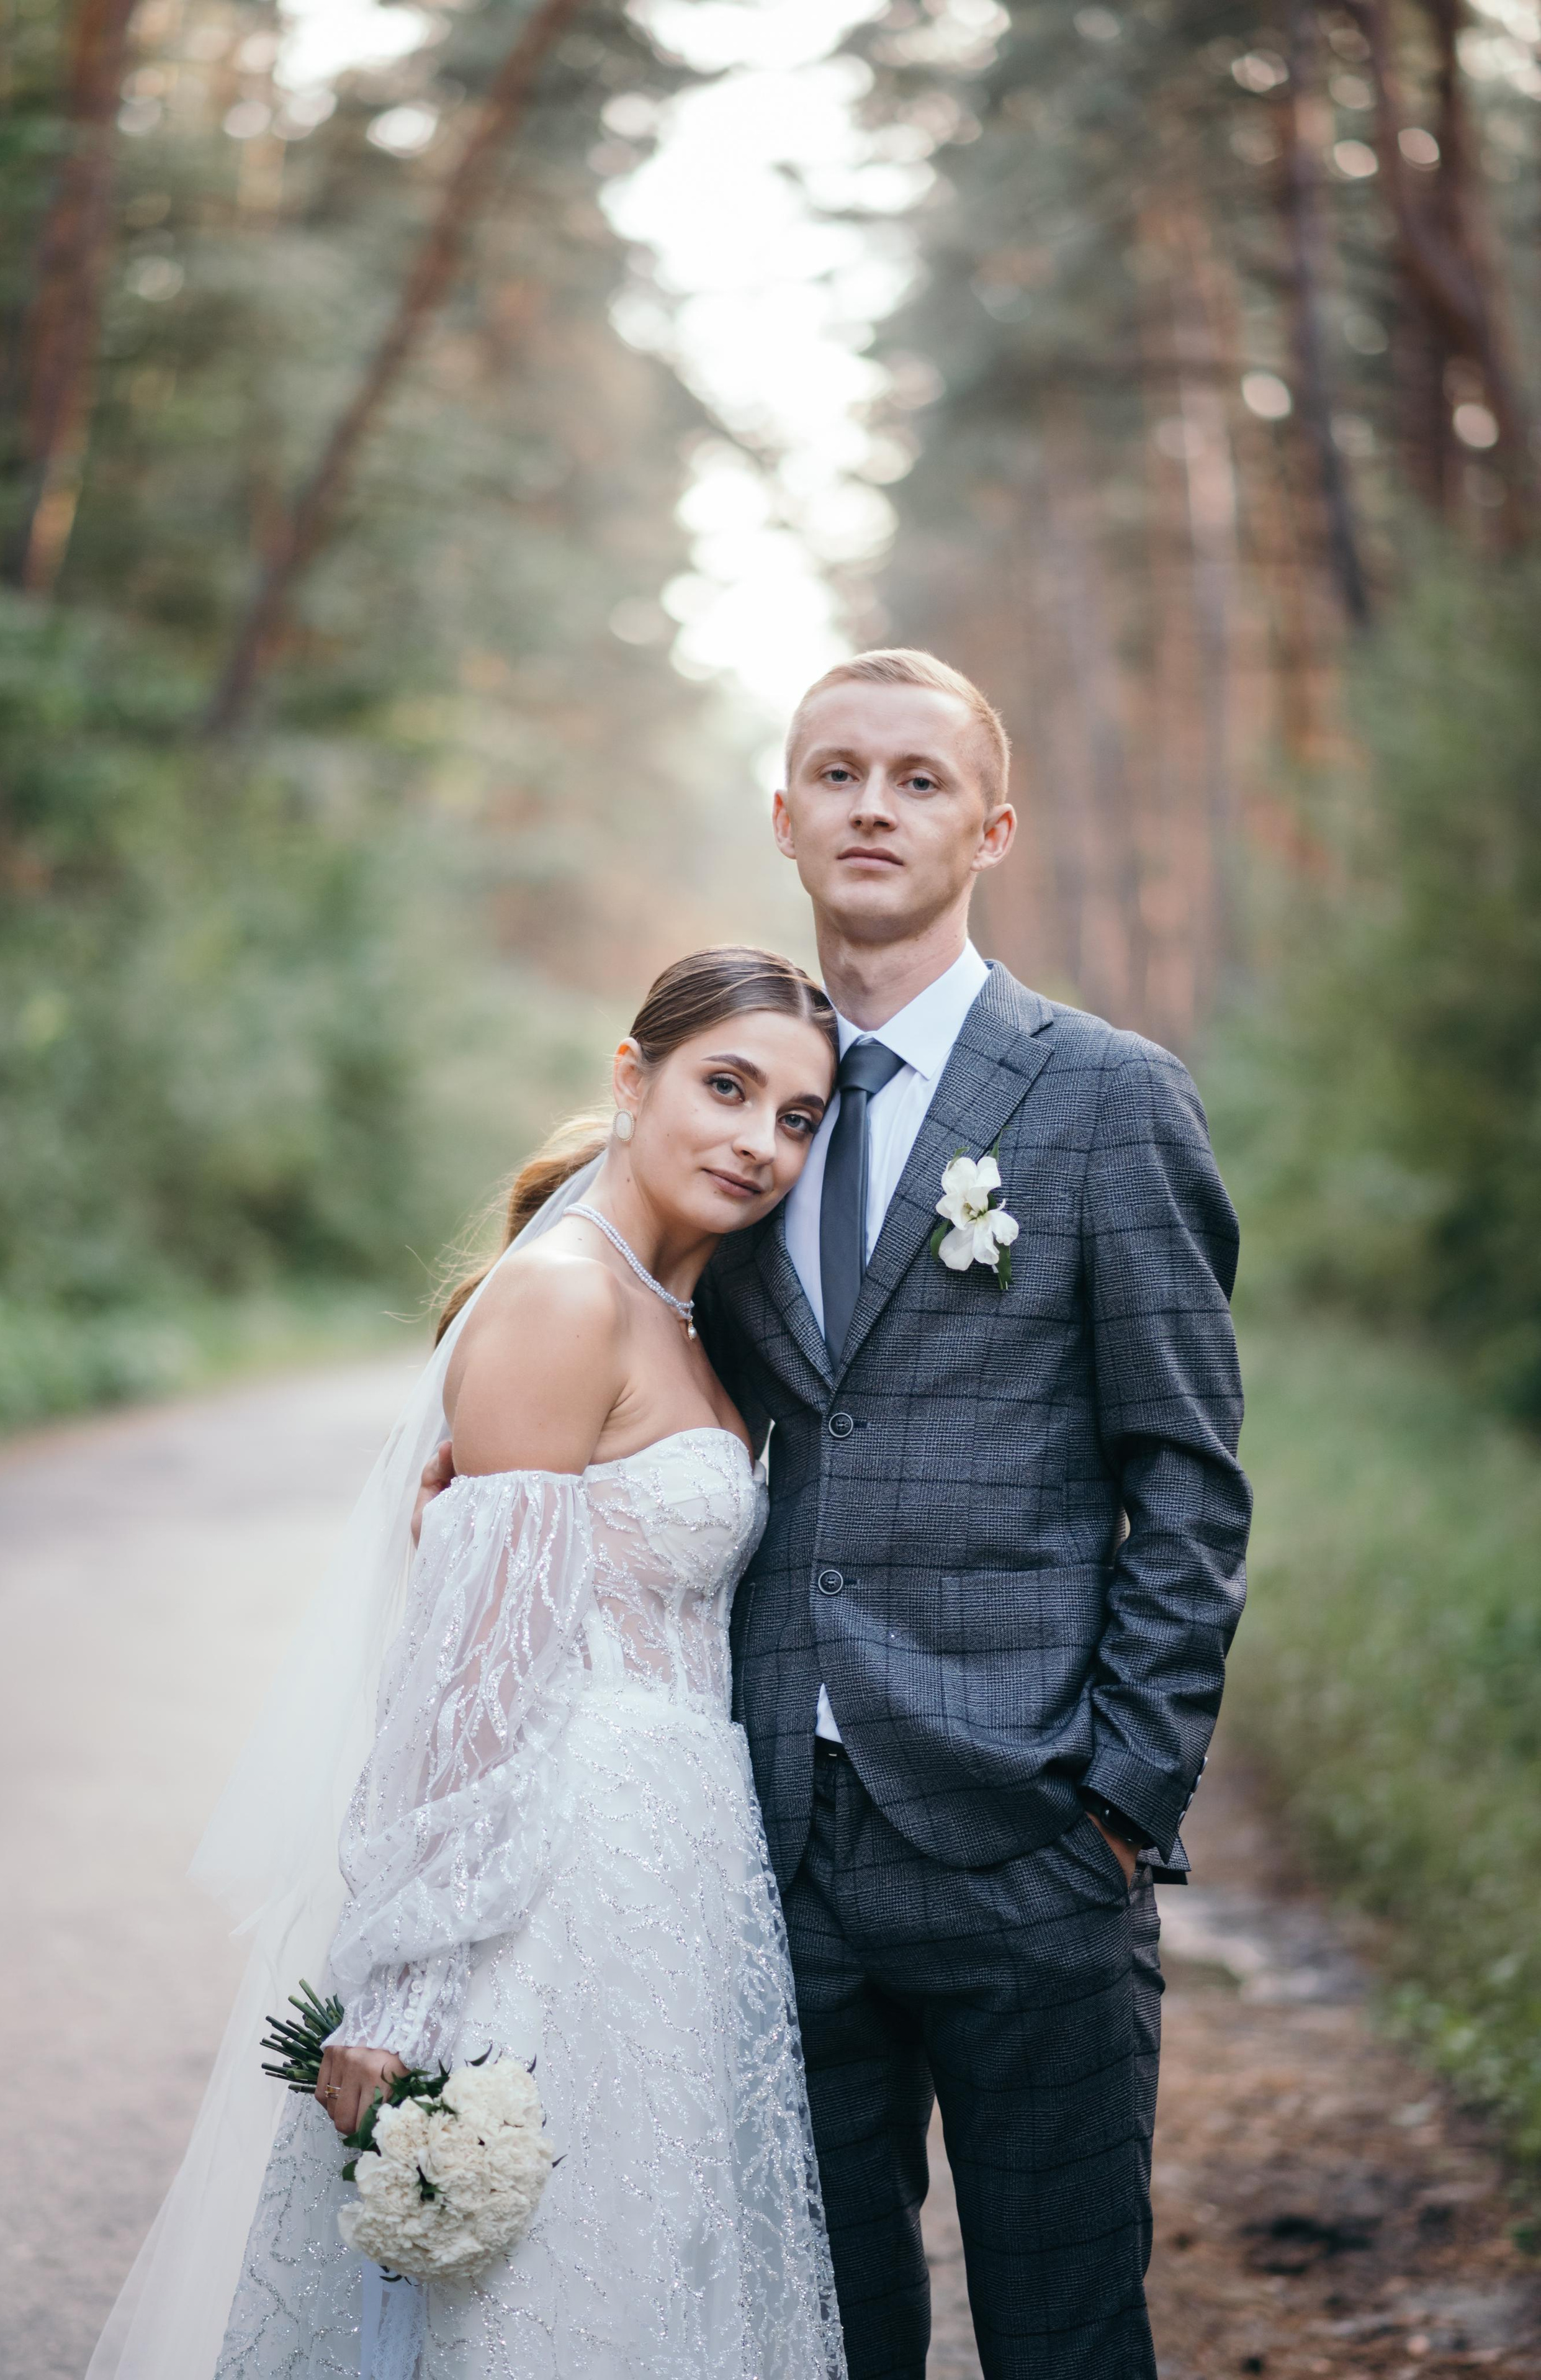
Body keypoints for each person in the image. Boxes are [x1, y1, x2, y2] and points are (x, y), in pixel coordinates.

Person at [88, 947, 846, 2380]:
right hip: (552, 1883)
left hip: (677, 1879)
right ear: (631, 1082)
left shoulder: (689, 1313)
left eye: (795, 1118)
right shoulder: (564, 1299)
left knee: (645, 2284)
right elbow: (470, 1691)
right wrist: (406, 2002)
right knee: (524, 2299)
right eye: (726, 1087)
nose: (757, 1141)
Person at [690, 650, 1253, 2380]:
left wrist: (1118, 1799)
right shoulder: (741, 1111)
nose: (874, 803)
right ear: (783, 815)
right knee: (825, 2330)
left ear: (991, 825)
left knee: (1065, 2335)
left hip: (1031, 1834)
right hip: (781, 1835)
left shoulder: (1103, 1096)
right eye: (838, 772)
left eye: (918, 779)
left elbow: (1189, 1475)